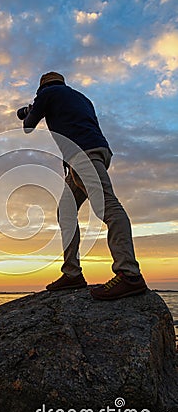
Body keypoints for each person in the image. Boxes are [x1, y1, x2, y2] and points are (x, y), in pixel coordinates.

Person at [17, 71, 147, 300]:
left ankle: (129, 274)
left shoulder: (48, 94)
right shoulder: (82, 98)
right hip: (96, 153)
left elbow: (28, 126)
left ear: (41, 87)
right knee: (66, 211)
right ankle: (72, 274)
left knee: (108, 208)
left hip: (82, 155)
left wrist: (31, 109)